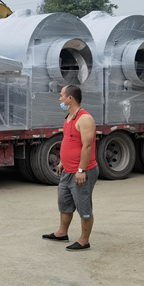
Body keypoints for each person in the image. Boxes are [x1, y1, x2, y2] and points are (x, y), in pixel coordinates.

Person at [42, 84, 99, 251]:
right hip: (68, 170)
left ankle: (84, 241)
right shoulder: (69, 117)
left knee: (83, 206)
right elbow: (70, 142)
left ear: (70, 98)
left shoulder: (85, 119)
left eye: (61, 95)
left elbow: (87, 146)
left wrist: (81, 170)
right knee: (64, 202)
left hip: (81, 172)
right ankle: (62, 233)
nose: (60, 99)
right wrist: (62, 161)